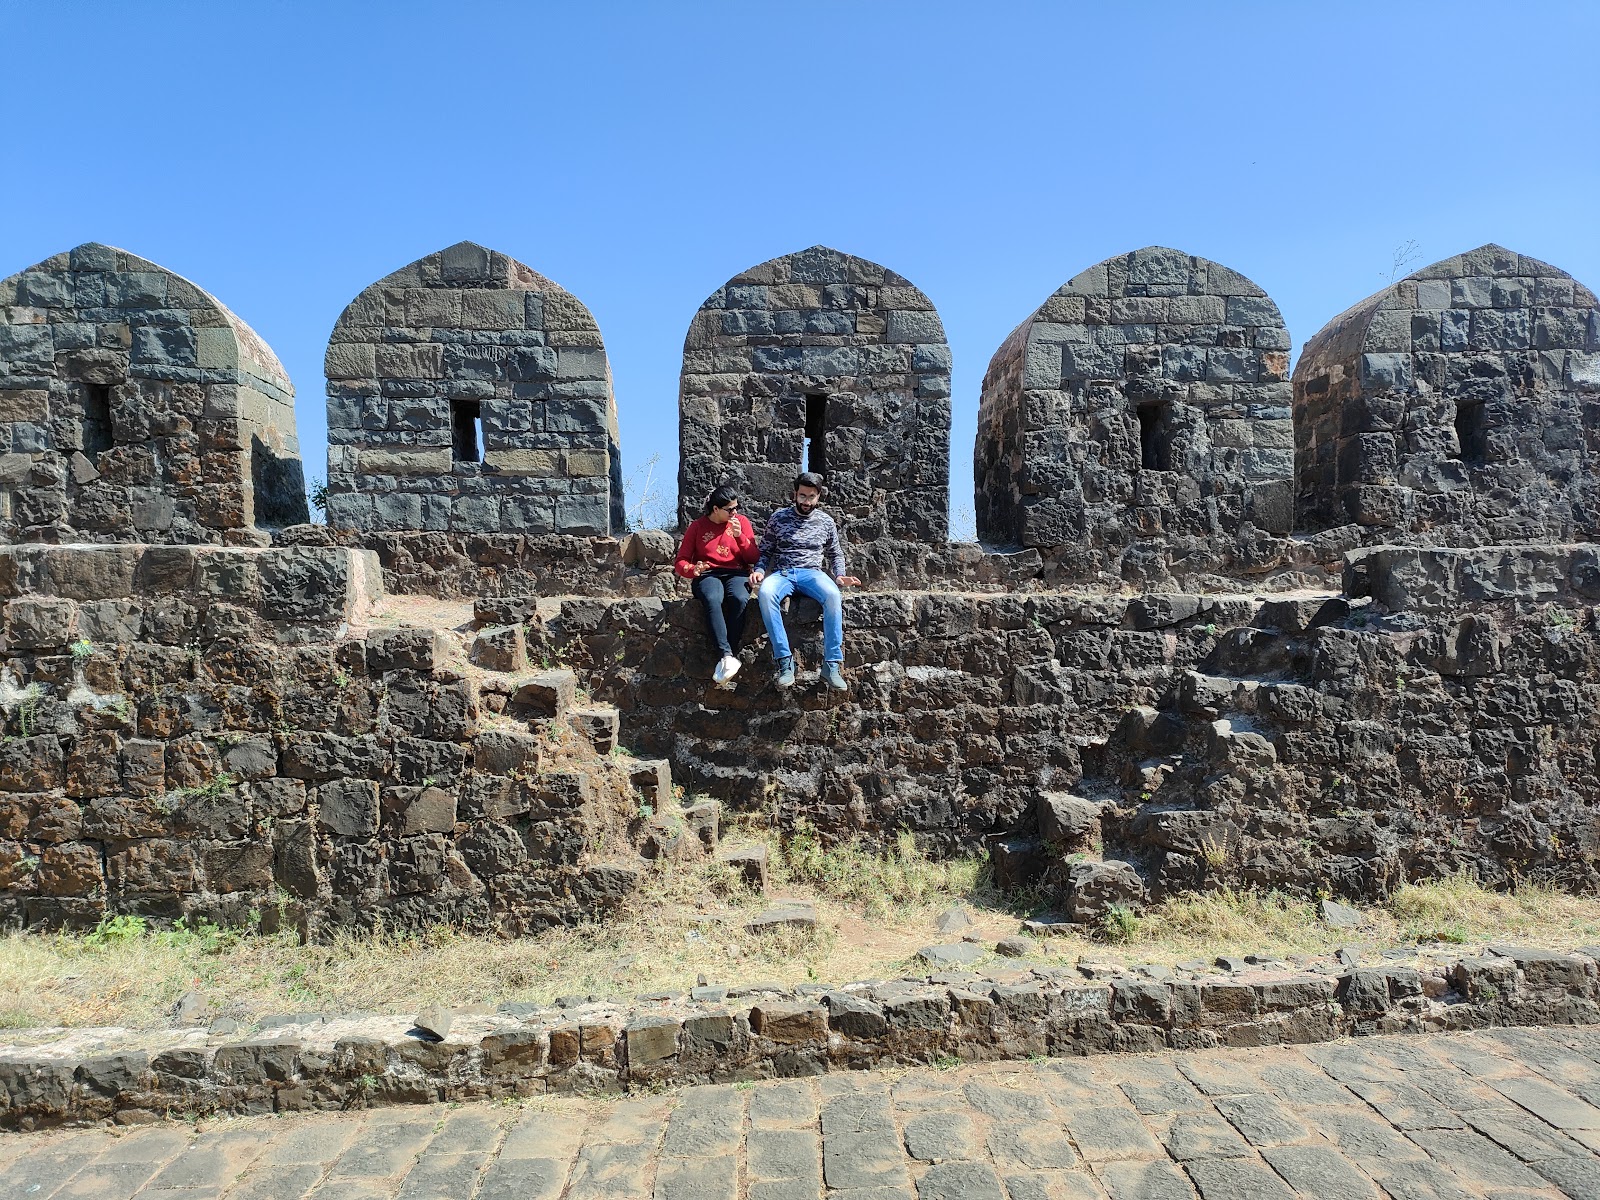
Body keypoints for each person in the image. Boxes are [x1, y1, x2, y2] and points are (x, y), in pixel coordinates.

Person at [750, 472, 860, 690]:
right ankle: (784, 662)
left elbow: (835, 553)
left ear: (818, 496)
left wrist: (839, 575)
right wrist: (759, 571)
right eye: (802, 496)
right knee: (765, 593)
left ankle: (831, 665)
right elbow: (765, 551)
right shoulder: (778, 518)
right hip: (783, 573)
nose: (806, 502)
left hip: (813, 573)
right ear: (795, 494)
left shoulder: (826, 522)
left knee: (832, 595)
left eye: (811, 497)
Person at [674, 485, 761, 684]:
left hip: (737, 572)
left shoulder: (742, 523)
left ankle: (728, 655)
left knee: (738, 598)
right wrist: (691, 569)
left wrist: (740, 537)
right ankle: (726, 655)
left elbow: (753, 556)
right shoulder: (697, 527)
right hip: (708, 574)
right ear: (715, 509)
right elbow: (681, 561)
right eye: (730, 509)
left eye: (736, 508)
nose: (735, 513)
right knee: (713, 598)